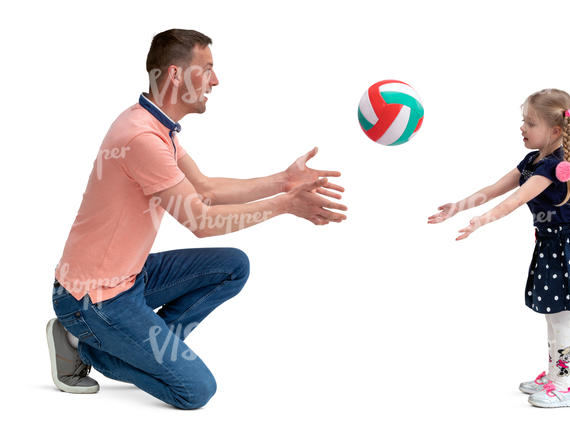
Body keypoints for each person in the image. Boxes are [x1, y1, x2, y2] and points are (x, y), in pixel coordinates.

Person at [46, 29, 347, 409]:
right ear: (175, 75)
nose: (215, 80)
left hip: (128, 277)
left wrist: (283, 181)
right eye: (206, 69)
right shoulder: (142, 138)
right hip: (92, 299)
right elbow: (201, 221)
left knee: (233, 266)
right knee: (194, 391)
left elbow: (204, 188)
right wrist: (286, 205)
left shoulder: (154, 124)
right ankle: (87, 348)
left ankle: (138, 347)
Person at [427, 88, 570, 408]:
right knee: (552, 314)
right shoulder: (533, 160)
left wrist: (481, 221)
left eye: (530, 123)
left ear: (555, 131)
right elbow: (495, 189)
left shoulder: (552, 167)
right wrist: (458, 207)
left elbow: (516, 200)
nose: (522, 127)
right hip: (551, 246)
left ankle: (564, 385)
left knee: (561, 318)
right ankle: (555, 375)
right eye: (524, 121)